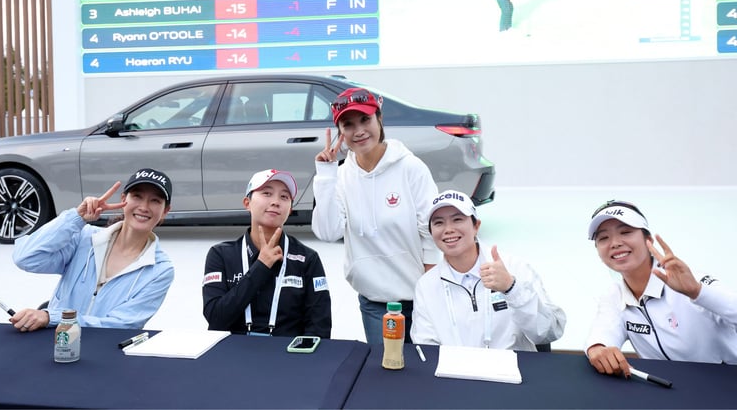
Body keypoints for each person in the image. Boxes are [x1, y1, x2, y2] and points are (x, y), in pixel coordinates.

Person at [312, 87, 439, 344]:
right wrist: (325, 174)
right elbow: (328, 232)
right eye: (348, 125)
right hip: (374, 303)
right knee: (387, 375)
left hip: (420, 301)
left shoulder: (411, 168)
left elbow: (431, 232)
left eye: (365, 120)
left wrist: (430, 295)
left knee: (425, 375)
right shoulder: (341, 176)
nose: (358, 131)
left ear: (379, 119)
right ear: (340, 132)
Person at [10, 168, 175, 331]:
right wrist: (76, 217)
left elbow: (121, 325)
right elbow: (25, 258)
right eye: (137, 196)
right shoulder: (84, 237)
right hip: (56, 342)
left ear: (165, 211)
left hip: (105, 350)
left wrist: (51, 317)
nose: (144, 207)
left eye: (155, 201)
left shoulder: (160, 269)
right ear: (123, 199)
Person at [585, 200, 737, 376]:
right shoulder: (614, 295)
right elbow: (603, 331)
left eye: (625, 232)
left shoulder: (690, 280)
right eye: (603, 238)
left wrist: (697, 291)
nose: (615, 243)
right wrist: (596, 347)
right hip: (672, 394)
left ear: (648, 240)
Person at [411, 190, 566, 349]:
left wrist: (511, 288)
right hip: (453, 373)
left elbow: (550, 331)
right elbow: (425, 347)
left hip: (515, 371)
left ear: (476, 226)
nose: (448, 229)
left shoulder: (515, 268)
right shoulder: (426, 285)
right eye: (438, 223)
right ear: (430, 232)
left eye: (457, 219)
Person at [203, 169, 332, 338]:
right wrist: (261, 266)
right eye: (267, 193)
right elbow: (216, 319)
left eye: (284, 197)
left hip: (289, 356)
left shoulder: (307, 258)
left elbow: (319, 328)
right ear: (247, 203)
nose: (275, 202)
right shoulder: (220, 254)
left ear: (290, 209)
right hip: (233, 353)